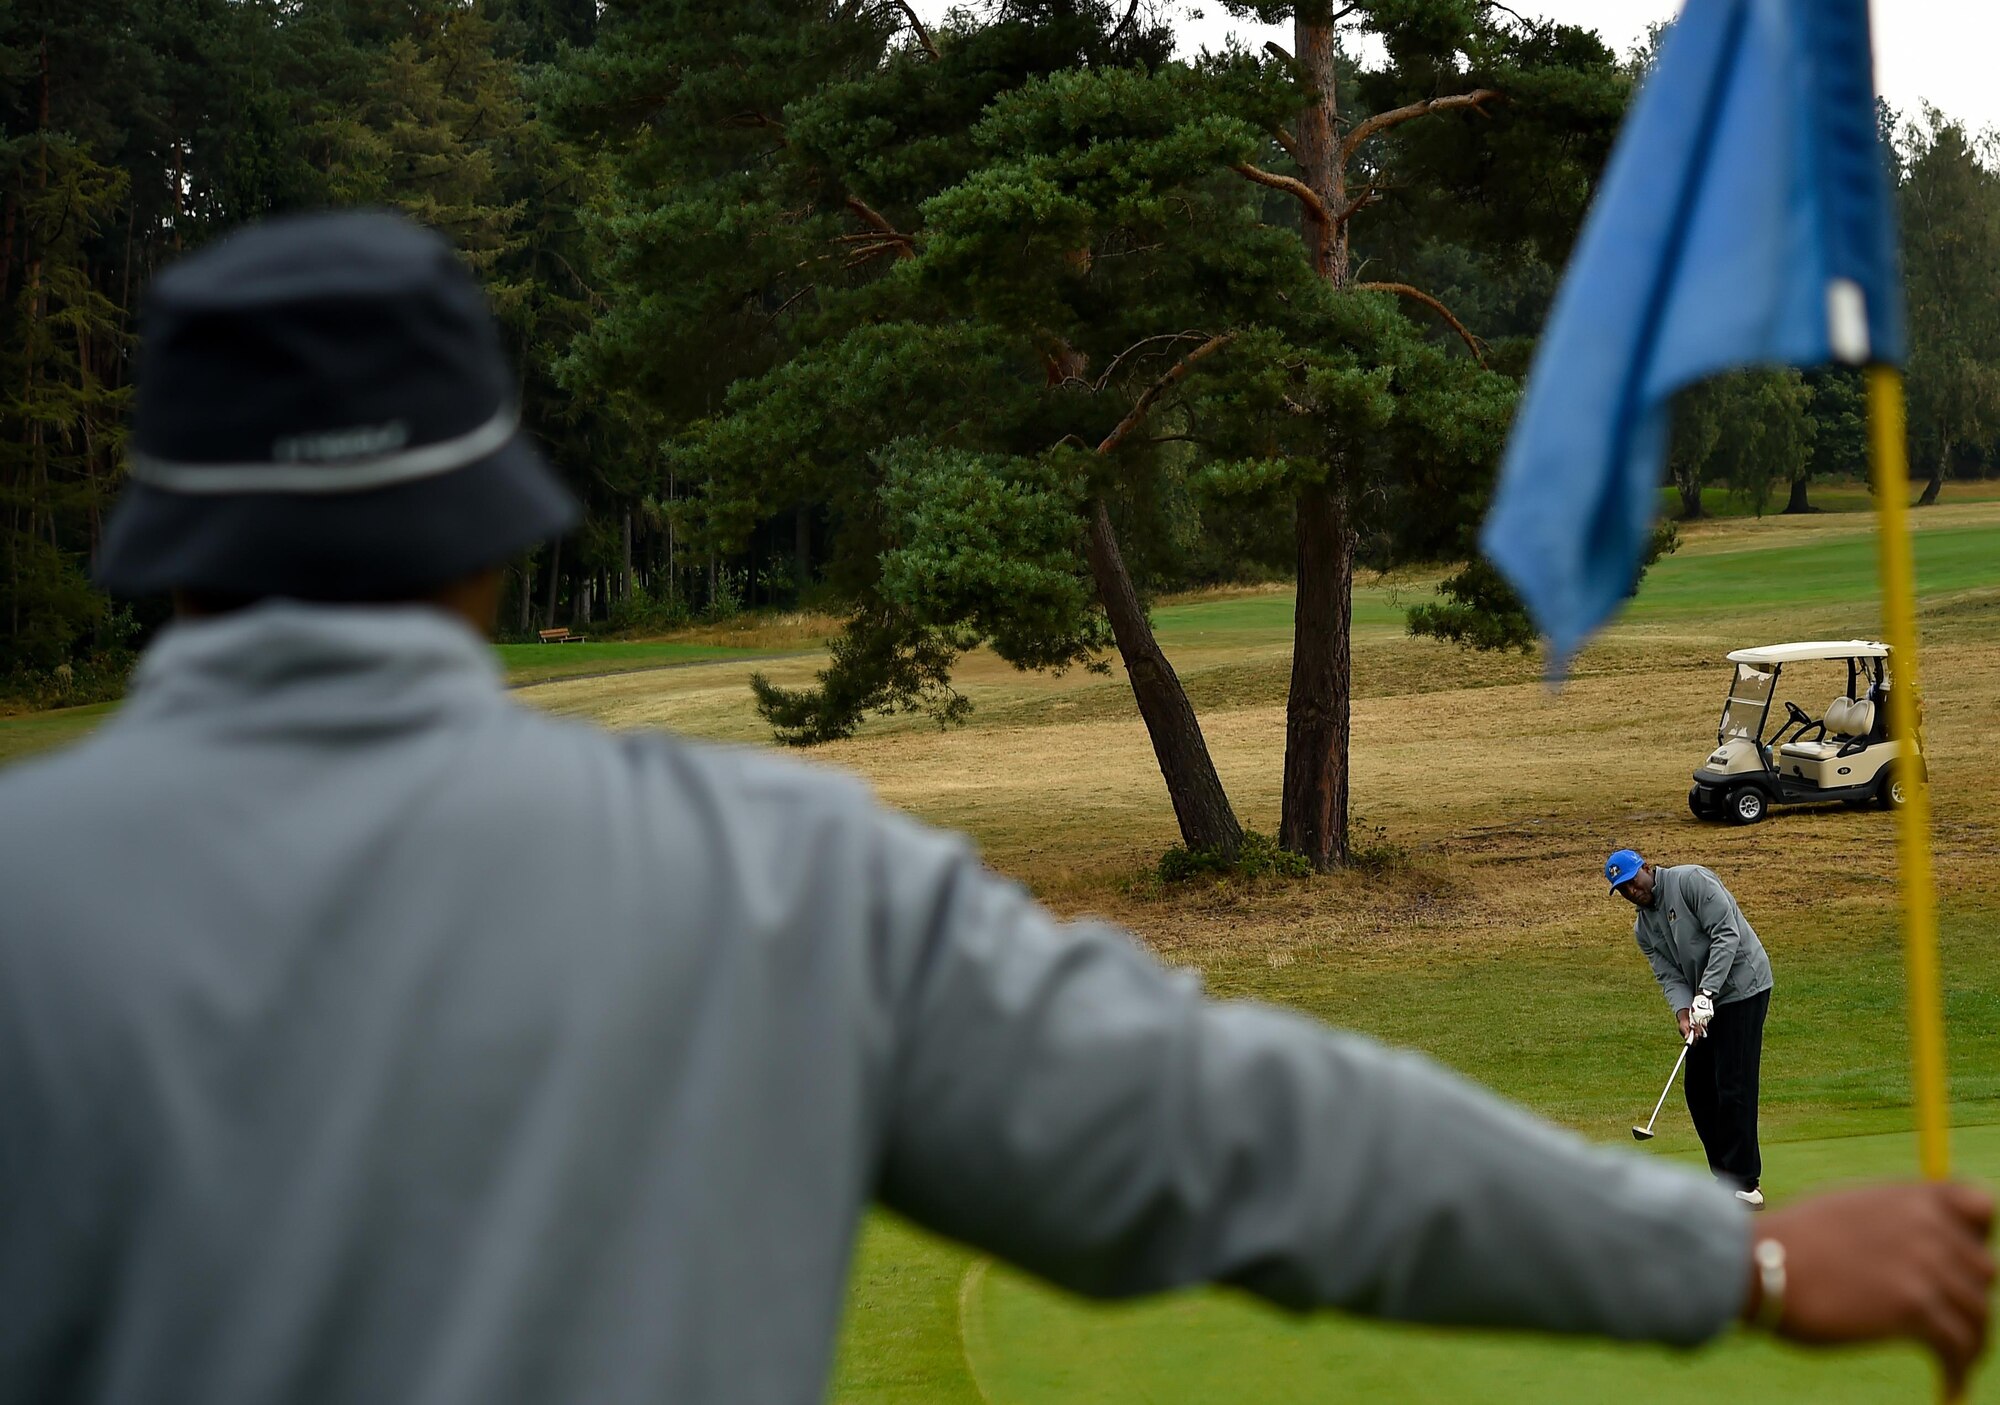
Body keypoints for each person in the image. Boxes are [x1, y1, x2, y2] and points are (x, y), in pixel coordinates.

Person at [0, 212, 1990, 1404]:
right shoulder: (766, 884)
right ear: (496, 551)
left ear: (165, 543)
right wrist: (1736, 1263)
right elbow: (1252, 1147)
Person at [1607, 848, 1773, 1208]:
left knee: (1734, 1083)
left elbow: (1726, 935)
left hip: (1744, 987)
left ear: (1647, 868)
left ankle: (1747, 1182)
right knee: (1699, 1090)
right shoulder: (1643, 928)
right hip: (1703, 1003)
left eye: (1633, 881)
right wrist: (1684, 1012)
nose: (1632, 891)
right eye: (1622, 889)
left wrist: (1707, 992)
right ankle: (1724, 1177)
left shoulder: (1691, 881)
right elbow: (1667, 974)